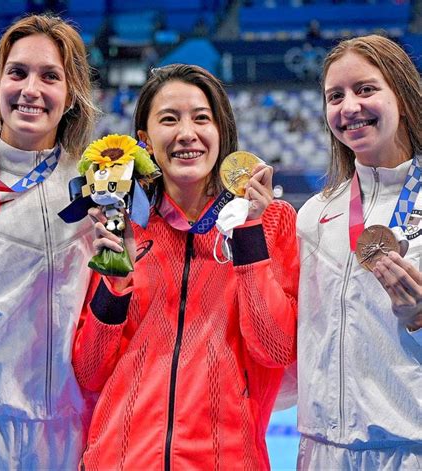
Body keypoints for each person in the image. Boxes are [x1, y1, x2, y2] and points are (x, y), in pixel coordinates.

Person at [72, 63, 299, 470]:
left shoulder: (269, 219)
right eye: (169, 120)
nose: (186, 134)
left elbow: (276, 348)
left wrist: (248, 232)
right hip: (120, 459)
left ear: (220, 132)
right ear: (145, 139)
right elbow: (90, 371)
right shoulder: (122, 224)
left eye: (201, 118)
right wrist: (116, 285)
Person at [0, 14, 97, 470]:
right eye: (18, 73)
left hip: (66, 433)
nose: (31, 89)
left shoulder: (94, 188)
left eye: (50, 76)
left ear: (70, 95)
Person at [296, 35, 421, 469]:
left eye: (365, 90)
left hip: (410, 449)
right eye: (335, 96)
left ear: (402, 97)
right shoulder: (314, 215)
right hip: (322, 451)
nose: (349, 107)